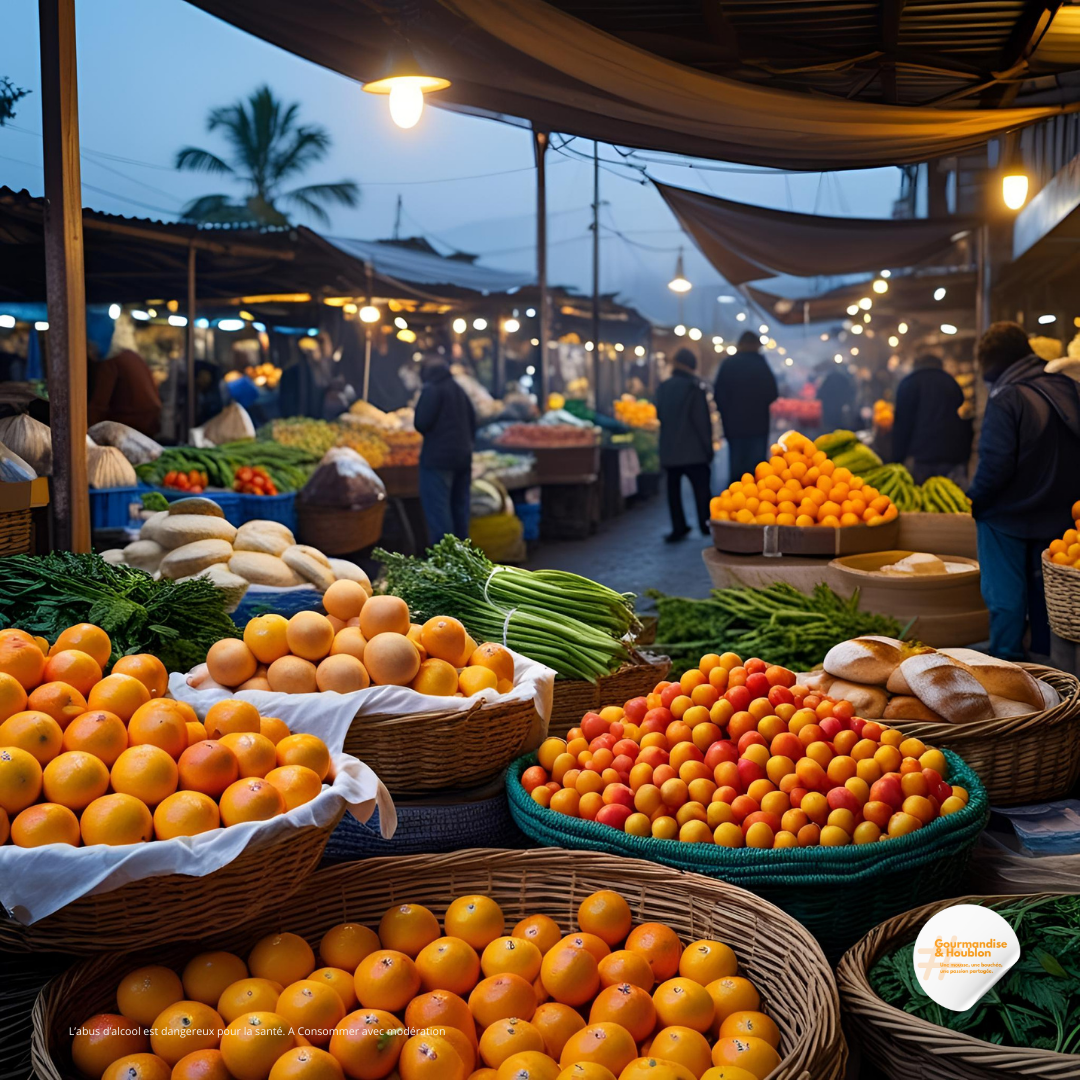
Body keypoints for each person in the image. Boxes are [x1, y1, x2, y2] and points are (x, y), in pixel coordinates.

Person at [968, 321, 1080, 660]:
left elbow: (995, 464)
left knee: (1005, 598)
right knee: (1051, 596)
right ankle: (1054, 668)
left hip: (1008, 517)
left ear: (989, 364)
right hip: (1061, 516)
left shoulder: (1008, 397)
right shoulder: (1070, 387)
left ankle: (1007, 663)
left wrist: (976, 500)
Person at [414, 356, 477, 542]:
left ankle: (445, 561)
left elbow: (421, 422)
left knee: (439, 511)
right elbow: (473, 420)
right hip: (463, 458)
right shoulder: (458, 389)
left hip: (437, 460)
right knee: (459, 510)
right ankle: (462, 558)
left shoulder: (432, 389)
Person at [656, 348, 713, 542]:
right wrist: (708, 448)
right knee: (702, 488)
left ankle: (678, 527)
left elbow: (660, 415)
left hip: (669, 449)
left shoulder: (663, 387)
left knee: (673, 490)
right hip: (694, 450)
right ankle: (706, 524)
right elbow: (702, 421)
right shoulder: (693, 388)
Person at [891, 353, 973, 485]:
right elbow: (961, 406)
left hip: (921, 457)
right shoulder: (949, 381)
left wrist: (896, 459)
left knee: (922, 500)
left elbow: (902, 425)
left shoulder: (908, 383)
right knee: (949, 498)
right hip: (951, 454)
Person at [714, 331, 778, 483]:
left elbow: (718, 396)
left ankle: (736, 502)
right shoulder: (761, 364)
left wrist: (727, 415)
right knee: (757, 471)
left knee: (737, 468)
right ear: (756, 345)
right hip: (758, 426)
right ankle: (757, 502)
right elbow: (773, 394)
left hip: (734, 427)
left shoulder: (728, 364)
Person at [87, 344, 162, 436]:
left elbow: (99, 403)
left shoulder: (108, 360)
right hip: (150, 422)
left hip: (132, 425)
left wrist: (85, 431)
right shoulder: (129, 355)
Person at [817, 364, 856, 432]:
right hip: (840, 408)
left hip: (828, 409)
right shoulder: (844, 378)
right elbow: (851, 392)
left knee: (829, 428)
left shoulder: (827, 379)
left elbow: (820, 394)